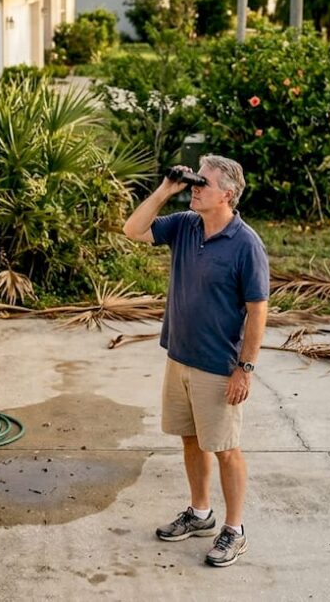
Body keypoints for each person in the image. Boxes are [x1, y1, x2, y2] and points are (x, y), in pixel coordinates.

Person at [122, 154, 269, 568]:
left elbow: (258, 309)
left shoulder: (246, 244)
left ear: (228, 194)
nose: (194, 187)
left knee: (225, 448)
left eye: (202, 183)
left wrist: (245, 368)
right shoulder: (186, 225)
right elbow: (133, 229)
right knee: (190, 439)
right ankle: (201, 513)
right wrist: (167, 189)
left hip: (218, 365)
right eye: (193, 181)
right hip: (180, 356)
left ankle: (235, 531)